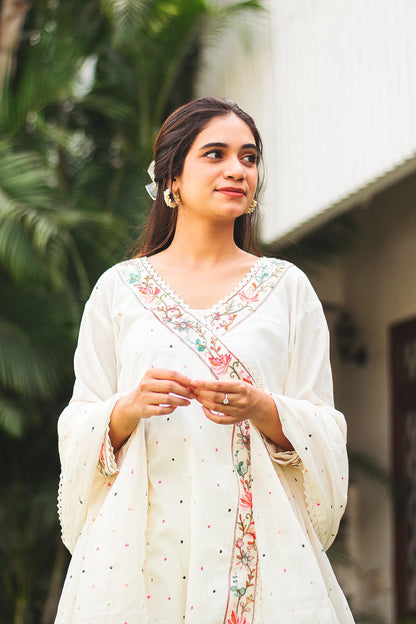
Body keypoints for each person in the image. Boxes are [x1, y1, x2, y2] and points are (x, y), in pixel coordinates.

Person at [55, 96, 355, 624]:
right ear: (171, 177)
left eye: (249, 157)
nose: (237, 169)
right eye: (215, 154)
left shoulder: (287, 289)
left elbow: (325, 428)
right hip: (143, 556)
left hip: (265, 558)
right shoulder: (118, 290)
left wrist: (263, 407)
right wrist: (128, 408)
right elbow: (78, 422)